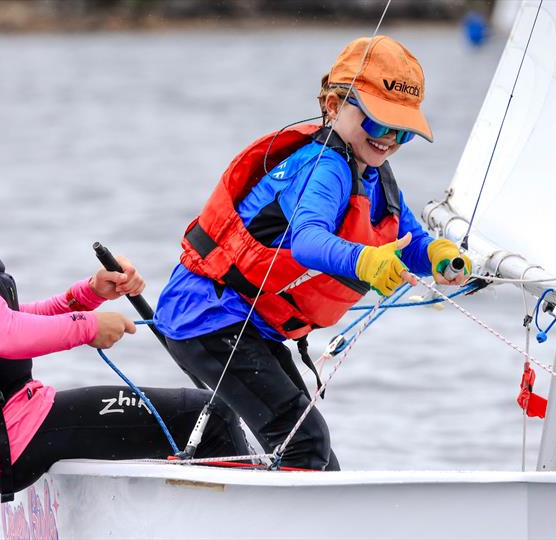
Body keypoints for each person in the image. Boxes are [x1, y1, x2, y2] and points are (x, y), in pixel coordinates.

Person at [0, 85, 248, 502]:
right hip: (1, 438)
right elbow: (3, 335)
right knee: (209, 415)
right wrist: (89, 327)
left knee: (194, 419)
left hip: (5, 428)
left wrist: (85, 296)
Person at [154, 36, 471, 471]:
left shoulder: (371, 171)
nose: (389, 140)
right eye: (379, 124)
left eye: (403, 131)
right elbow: (307, 241)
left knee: (317, 455)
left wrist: (438, 253)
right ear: (333, 104)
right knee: (306, 444)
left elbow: (406, 240)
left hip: (248, 326)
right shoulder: (323, 166)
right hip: (206, 316)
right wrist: (365, 261)